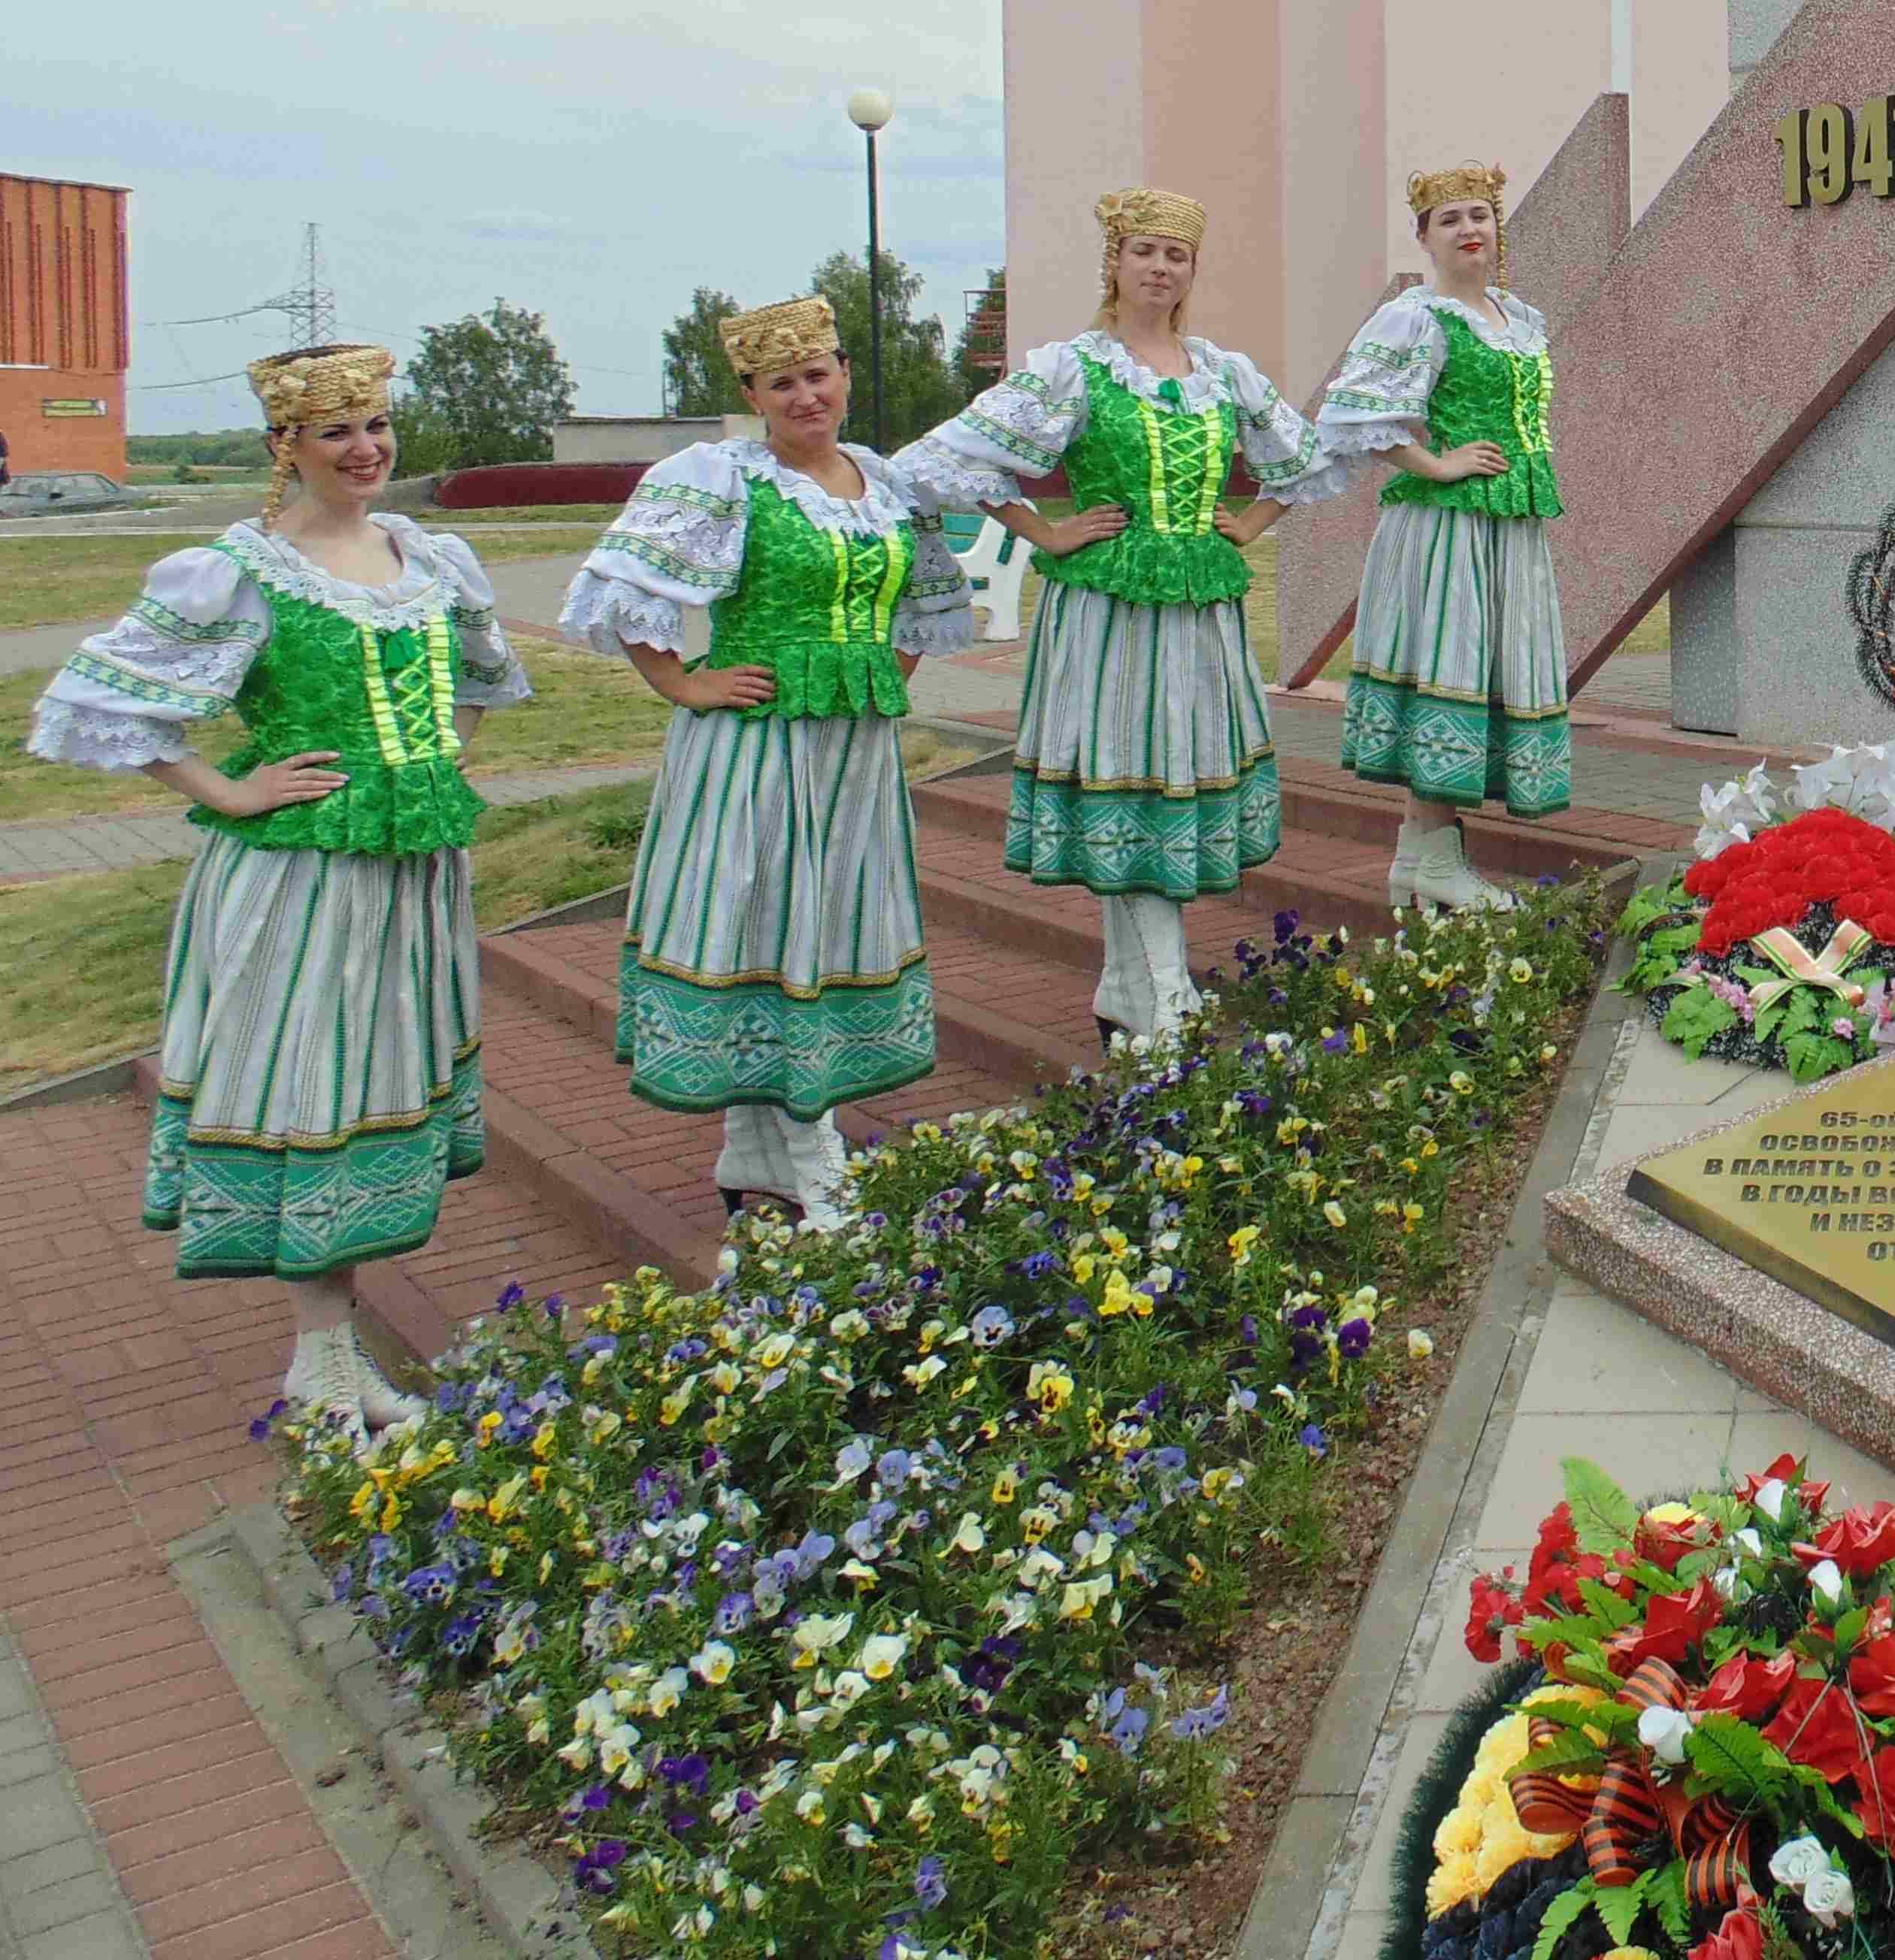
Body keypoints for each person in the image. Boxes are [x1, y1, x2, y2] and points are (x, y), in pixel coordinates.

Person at [21, 347, 530, 1434]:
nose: (365, 449)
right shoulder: (243, 570)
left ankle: (328, 1359)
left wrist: (432, 762)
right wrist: (231, 790)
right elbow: (99, 703)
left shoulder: (430, 557)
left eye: (377, 425)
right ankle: (323, 1361)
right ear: (284, 447)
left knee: (375, 1090)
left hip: (409, 875)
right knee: (314, 1095)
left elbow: (483, 677)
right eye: (336, 431)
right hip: (301, 880)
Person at [559, 298, 976, 1230]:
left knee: (828, 917)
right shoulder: (721, 478)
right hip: (756, 745)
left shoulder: (885, 483)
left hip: (853, 748)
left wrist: (876, 676)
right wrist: (683, 683)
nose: (805, 396)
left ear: (845, 376)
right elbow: (619, 588)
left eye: (818, 375)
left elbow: (926, 603)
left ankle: (756, 1146)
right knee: (769, 922)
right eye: (781, 383)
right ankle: (804, 1142)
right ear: (753, 395)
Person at [892, 188, 1340, 1042]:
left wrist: (1250, 522)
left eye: (1176, 255)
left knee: (1167, 777)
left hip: (1199, 613)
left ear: (1193, 270)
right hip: (1107, 612)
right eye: (1145, 251)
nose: (1160, 268)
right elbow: (944, 459)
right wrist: (1045, 532)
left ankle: (1125, 987)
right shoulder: (1073, 368)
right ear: (1116, 263)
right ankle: (1163, 992)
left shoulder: (1223, 373)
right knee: (1129, 776)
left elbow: (1306, 458)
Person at [1312, 165, 1572, 915]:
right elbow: (1352, 413)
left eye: (1480, 215)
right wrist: (1436, 462)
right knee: (1449, 667)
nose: (1469, 229)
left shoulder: (1517, 317)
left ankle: (1421, 858)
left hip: (1507, 524)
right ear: (1424, 237)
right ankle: (1435, 863)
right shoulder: (1417, 316)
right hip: (1447, 527)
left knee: (1477, 670)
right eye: (1450, 219)